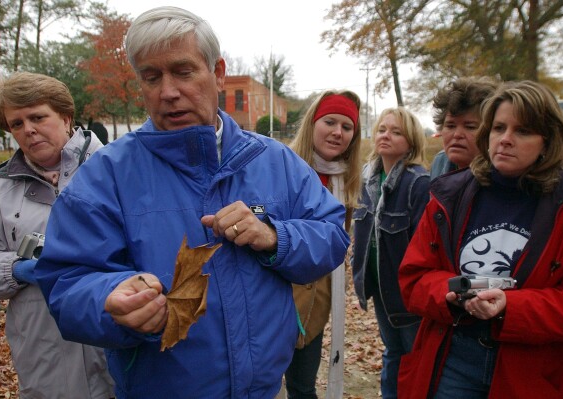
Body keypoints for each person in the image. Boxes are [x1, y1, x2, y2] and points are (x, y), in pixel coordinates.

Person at [35, 6, 350, 399]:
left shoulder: (275, 161)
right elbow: (65, 283)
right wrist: (109, 298)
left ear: (218, 73)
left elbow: (332, 235)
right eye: (152, 77)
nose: (168, 91)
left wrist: (275, 236)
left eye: (183, 72)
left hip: (264, 389)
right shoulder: (106, 176)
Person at [397, 80, 563, 399]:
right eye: (499, 128)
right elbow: (413, 278)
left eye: (523, 131)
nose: (506, 140)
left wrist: (509, 307)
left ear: (548, 141)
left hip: (529, 370)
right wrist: (450, 294)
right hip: (453, 358)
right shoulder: (450, 194)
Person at [0, 72, 114, 398]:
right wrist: (14, 269)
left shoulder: (114, 169)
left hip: (115, 347)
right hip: (43, 359)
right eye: (16, 123)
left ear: (65, 116)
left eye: (37, 117)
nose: (28, 129)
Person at [285, 90, 362, 398]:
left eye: (347, 127)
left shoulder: (348, 181)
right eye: (329, 122)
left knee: (302, 388)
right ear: (313, 124)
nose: (337, 132)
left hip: (316, 304)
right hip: (274, 297)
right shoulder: (282, 167)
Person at [352, 107, 429, 399]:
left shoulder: (418, 183)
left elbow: (424, 247)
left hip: (407, 295)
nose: (386, 135)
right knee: (393, 352)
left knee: (414, 356)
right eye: (383, 129)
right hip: (381, 290)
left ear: (411, 141)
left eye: (396, 132)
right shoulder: (367, 179)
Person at [429, 76, 498, 180]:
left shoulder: (502, 173)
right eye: (450, 126)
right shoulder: (439, 163)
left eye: (470, 127)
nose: (457, 135)